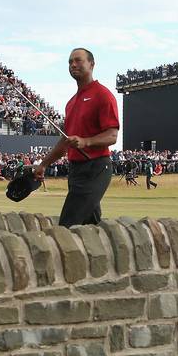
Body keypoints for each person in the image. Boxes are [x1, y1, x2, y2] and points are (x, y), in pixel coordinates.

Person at [33, 48, 119, 227]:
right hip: (76, 171)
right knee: (90, 226)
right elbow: (65, 141)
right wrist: (44, 164)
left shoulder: (103, 95)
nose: (73, 65)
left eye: (78, 60)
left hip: (96, 167)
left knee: (67, 225)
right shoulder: (71, 103)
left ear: (92, 64)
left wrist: (86, 141)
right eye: (70, 62)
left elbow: (112, 136)